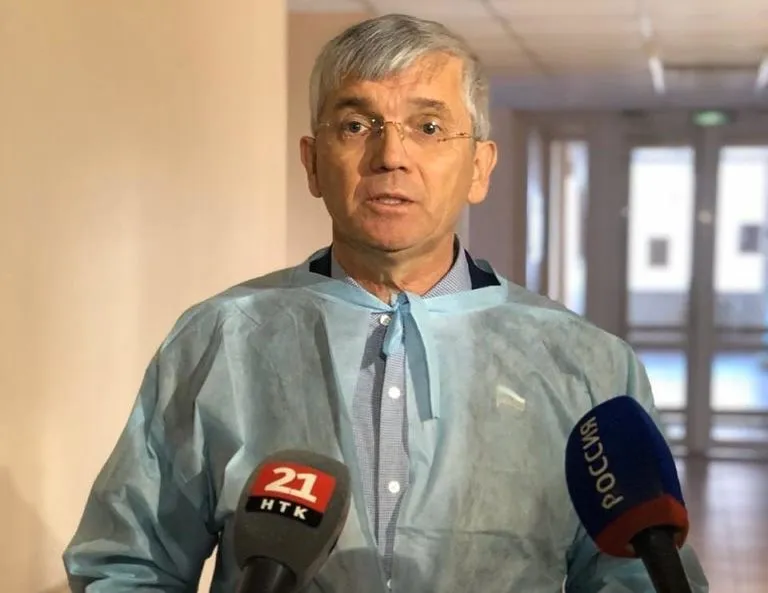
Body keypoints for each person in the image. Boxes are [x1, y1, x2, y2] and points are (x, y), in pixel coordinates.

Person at [63, 13, 708, 593]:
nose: (390, 156)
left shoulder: (587, 366)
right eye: (355, 125)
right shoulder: (218, 340)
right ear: (313, 164)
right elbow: (128, 566)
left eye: (428, 127)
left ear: (479, 167)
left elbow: (636, 578)